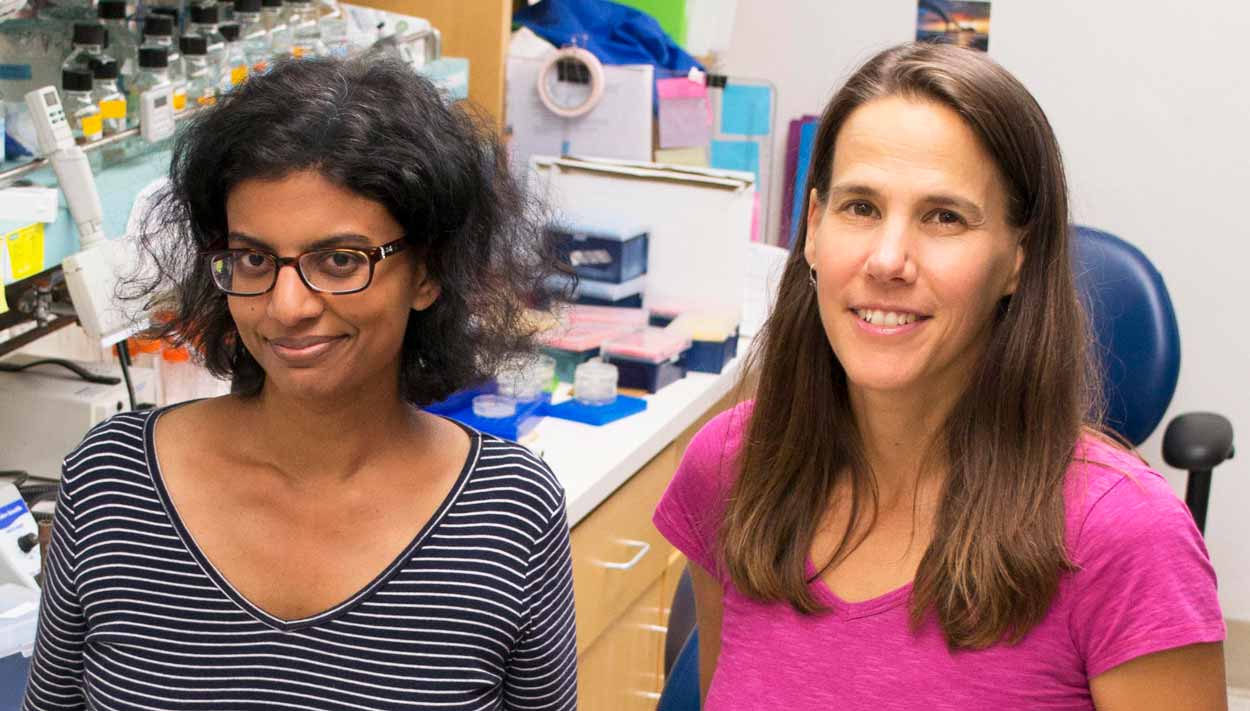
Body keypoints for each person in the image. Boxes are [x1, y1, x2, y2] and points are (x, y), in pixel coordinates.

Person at [654, 42, 1226, 710]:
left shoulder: (1128, 540)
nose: (888, 258)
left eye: (944, 216)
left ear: (1019, 257)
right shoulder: (730, 467)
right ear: (813, 228)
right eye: (860, 207)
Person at [24, 56, 577, 711]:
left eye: (340, 260)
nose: (287, 305)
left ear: (428, 273)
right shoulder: (113, 483)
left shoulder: (506, 515)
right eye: (255, 258)